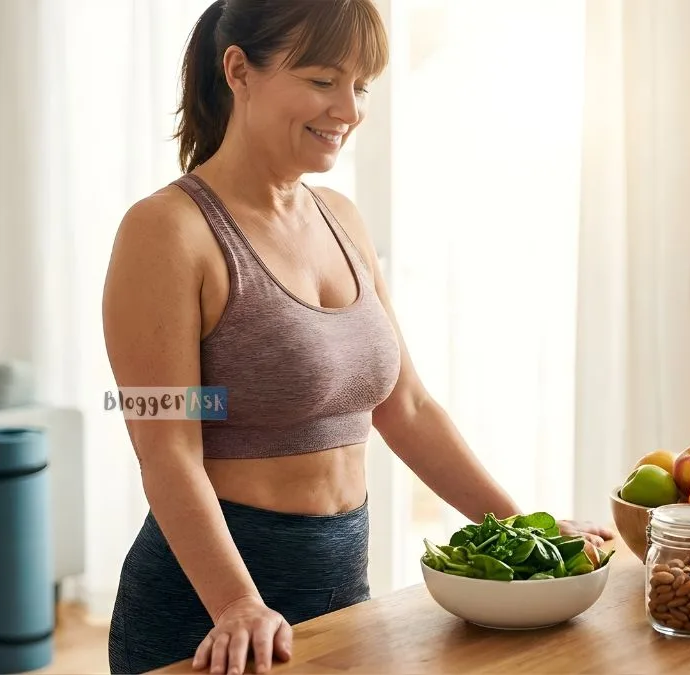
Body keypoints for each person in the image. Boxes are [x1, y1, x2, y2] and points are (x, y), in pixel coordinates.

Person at [101, 1, 615, 673]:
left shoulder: (341, 219)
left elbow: (407, 408)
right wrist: (237, 604)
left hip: (343, 601)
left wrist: (521, 527)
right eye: (322, 80)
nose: (349, 108)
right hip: (210, 620)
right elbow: (166, 447)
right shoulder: (167, 230)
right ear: (239, 70)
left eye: (361, 84)